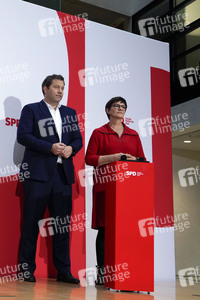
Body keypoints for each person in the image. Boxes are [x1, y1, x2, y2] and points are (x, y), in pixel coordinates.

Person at [18, 74, 83, 284]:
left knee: (62, 226)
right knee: (31, 224)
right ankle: (26, 269)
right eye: (56, 87)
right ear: (45, 88)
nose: (60, 91)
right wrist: (50, 147)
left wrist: (71, 149)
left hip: (62, 176)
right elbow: (23, 136)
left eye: (63, 87)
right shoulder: (31, 109)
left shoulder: (69, 113)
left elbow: (78, 140)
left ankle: (63, 271)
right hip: (37, 175)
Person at [84, 96, 145, 284]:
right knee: (105, 228)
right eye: (116, 106)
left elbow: (142, 159)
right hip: (106, 187)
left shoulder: (134, 134)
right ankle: (102, 272)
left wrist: (133, 160)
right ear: (108, 110)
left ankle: (127, 271)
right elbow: (90, 159)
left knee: (127, 229)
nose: (120, 109)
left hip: (129, 189)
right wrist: (116, 157)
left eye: (123, 107)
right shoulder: (99, 133)